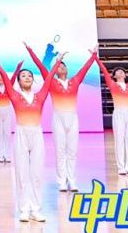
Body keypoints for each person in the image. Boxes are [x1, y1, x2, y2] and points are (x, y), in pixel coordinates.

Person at [0, 49, 64, 222]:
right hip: (21, 134)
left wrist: (58, 61)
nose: (27, 77)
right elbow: (4, 76)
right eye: (23, 76)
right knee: (22, 173)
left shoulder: (40, 95)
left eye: (29, 76)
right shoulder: (14, 95)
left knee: (36, 174)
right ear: (18, 81)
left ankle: (36, 209)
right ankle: (23, 209)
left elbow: (49, 77)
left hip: (37, 135)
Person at [26, 46, 98, 192]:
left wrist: (93, 55)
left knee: (72, 151)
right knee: (60, 151)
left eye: (63, 65)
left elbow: (85, 68)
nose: (62, 67)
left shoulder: (75, 81)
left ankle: (72, 181)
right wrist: (31, 51)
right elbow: (40, 66)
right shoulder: (51, 82)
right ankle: (61, 182)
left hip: (73, 118)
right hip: (58, 118)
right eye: (59, 66)